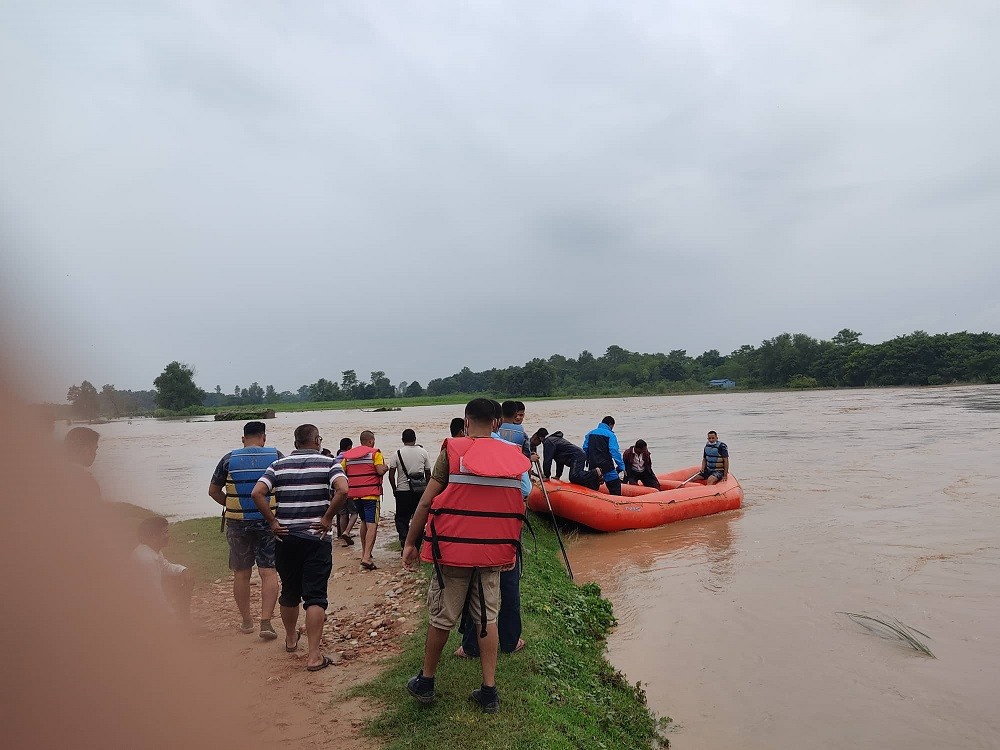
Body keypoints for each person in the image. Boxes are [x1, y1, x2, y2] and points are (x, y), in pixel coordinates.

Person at [403, 398, 531, 713]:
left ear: (465, 419)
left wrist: (410, 542)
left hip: (453, 551)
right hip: (493, 554)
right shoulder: (514, 457)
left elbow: (425, 503)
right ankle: (489, 691)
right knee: (488, 617)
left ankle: (426, 681)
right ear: (498, 422)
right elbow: (518, 504)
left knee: (443, 616)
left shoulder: (453, 451)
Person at [250, 424, 348, 672]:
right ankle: (314, 655)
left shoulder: (278, 465)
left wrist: (273, 522)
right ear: (316, 440)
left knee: (290, 592)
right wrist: (327, 519)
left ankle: (291, 638)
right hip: (316, 539)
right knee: (315, 596)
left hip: (286, 538)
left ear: (295, 443)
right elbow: (343, 490)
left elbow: (257, 493)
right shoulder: (329, 463)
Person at [208, 421, 283, 638]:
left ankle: (247, 621)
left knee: (241, 573)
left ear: (243, 439)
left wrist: (231, 503)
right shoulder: (276, 456)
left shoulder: (228, 459)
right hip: (268, 522)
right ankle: (266, 622)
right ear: (264, 438)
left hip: (237, 523)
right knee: (268, 572)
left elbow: (213, 491)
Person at [132, 516, 195, 623]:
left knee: (184, 577)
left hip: (145, 600)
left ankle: (182, 620)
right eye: (164, 533)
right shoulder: (146, 560)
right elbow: (155, 594)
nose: (168, 536)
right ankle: (179, 623)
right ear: (153, 537)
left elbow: (165, 566)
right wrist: (171, 616)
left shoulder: (152, 551)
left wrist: (183, 570)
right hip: (141, 605)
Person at [341, 430, 387, 570]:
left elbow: (342, 472)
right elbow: (379, 471)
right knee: (372, 524)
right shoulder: (375, 454)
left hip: (355, 495)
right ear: (371, 441)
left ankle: (365, 553)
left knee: (364, 522)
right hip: (371, 495)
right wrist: (386, 468)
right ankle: (366, 558)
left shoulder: (348, 457)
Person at [387, 429, 431, 548]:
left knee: (401, 518)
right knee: (419, 517)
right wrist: (428, 491)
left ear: (402, 440)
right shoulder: (423, 452)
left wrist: (394, 489)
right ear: (415, 439)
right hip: (420, 491)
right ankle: (415, 544)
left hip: (402, 491)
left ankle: (404, 537)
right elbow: (428, 473)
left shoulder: (397, 453)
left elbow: (391, 475)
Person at [530, 428, 602, 490]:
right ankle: (594, 482)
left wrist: (546, 476)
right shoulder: (554, 440)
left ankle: (595, 472)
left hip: (577, 456)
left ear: (539, 437)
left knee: (574, 476)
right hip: (579, 455)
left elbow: (547, 460)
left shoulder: (549, 442)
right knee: (577, 478)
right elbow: (559, 460)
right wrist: (558, 476)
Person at [582, 416, 625, 495]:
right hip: (607, 467)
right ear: (610, 424)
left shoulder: (590, 434)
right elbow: (614, 451)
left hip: (593, 467)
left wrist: (587, 461)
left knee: (592, 491)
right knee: (615, 487)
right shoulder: (610, 435)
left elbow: (585, 449)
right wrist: (621, 466)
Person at [64, 426, 102, 502]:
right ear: (86, 450)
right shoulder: (87, 482)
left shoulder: (53, 474)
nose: (95, 454)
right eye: (94, 449)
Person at [334, 437, 358, 546]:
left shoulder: (335, 460)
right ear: (349, 447)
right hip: (349, 489)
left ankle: (343, 538)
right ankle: (347, 532)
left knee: (343, 514)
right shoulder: (349, 459)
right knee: (354, 512)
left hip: (337, 491)